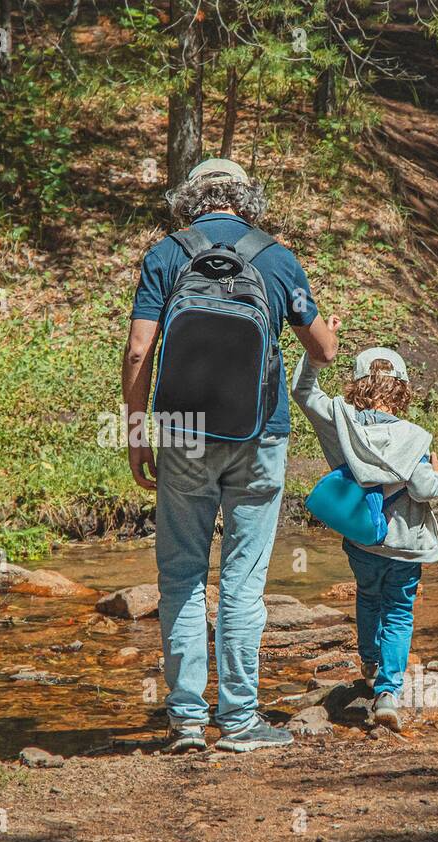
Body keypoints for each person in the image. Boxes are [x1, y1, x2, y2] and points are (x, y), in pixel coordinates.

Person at [121, 158, 338, 753]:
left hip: (184, 430)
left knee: (182, 577)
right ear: (248, 201)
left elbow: (141, 352)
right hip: (260, 433)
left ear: (190, 200)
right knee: (244, 585)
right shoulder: (275, 257)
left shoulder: (167, 254)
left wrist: (138, 431)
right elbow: (322, 349)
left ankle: (187, 721)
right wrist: (326, 327)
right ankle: (240, 722)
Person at [291, 339, 438, 731]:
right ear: (403, 390)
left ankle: (371, 663)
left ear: (358, 385)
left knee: (368, 595)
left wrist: (317, 351)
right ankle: (388, 694)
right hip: (406, 545)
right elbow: (425, 490)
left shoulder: (340, 421)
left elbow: (302, 390)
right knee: (398, 610)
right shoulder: (414, 437)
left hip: (361, 538)